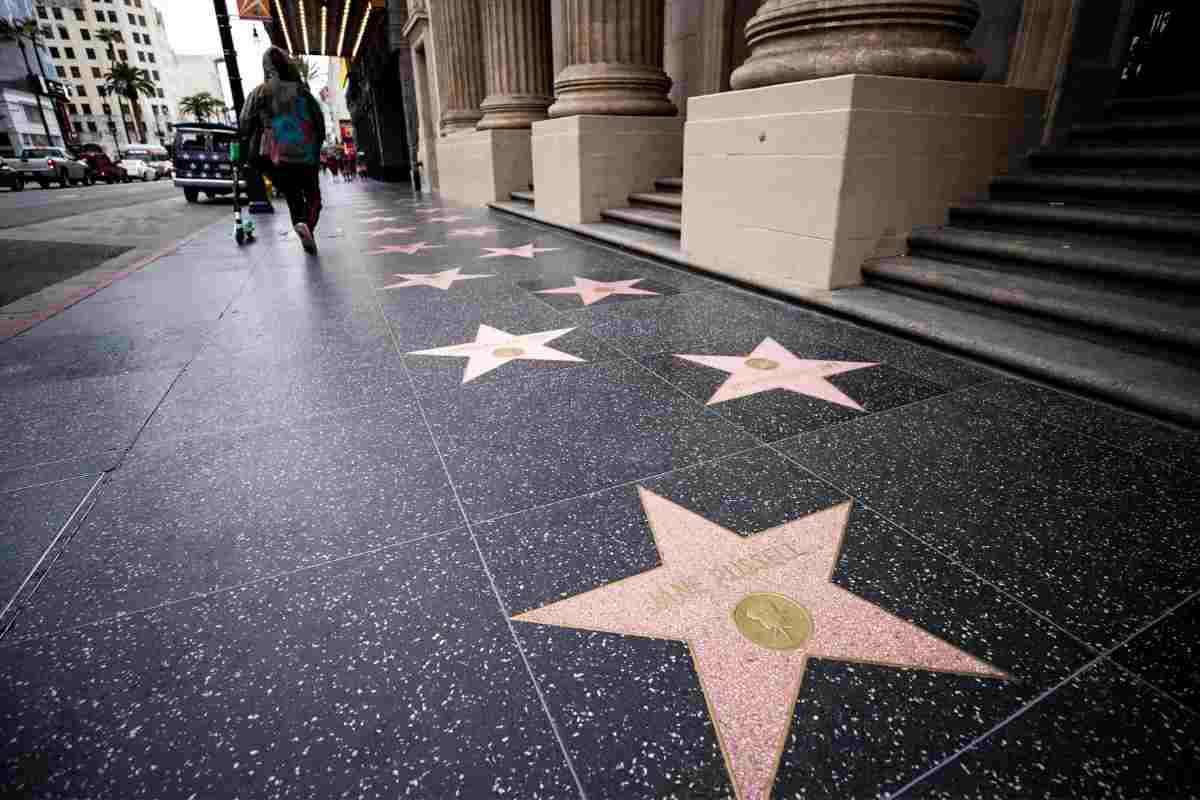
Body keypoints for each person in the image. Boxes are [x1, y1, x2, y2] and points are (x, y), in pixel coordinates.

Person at [240, 46, 326, 254]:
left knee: (292, 196)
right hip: (305, 155)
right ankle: (307, 225)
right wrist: (315, 147)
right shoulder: (303, 92)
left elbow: (244, 123)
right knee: (313, 197)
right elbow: (319, 124)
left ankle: (303, 228)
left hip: (276, 157)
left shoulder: (259, 92)